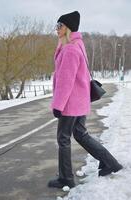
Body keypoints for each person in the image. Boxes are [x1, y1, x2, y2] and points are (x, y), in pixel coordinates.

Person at [48, 11, 123, 189]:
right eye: (56, 26)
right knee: (80, 134)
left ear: (68, 28)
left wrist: (58, 105)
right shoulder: (77, 45)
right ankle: (110, 162)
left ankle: (66, 178)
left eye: (60, 26)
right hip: (80, 101)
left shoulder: (70, 49)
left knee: (63, 138)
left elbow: (66, 82)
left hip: (70, 102)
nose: (56, 29)